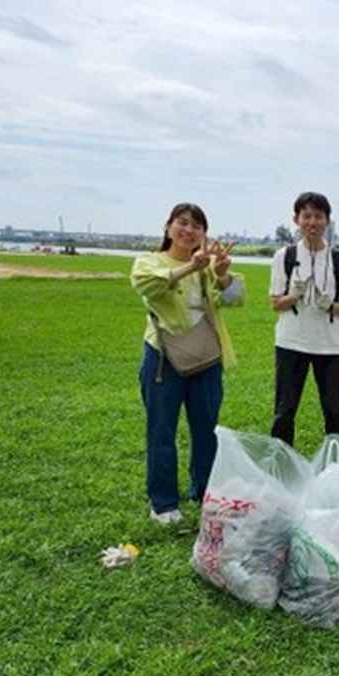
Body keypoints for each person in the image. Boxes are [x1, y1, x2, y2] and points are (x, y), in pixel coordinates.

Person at [131, 203, 246, 524]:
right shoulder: (150, 261)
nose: (189, 230)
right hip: (163, 357)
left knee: (206, 429)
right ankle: (163, 503)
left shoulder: (208, 266)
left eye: (197, 226)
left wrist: (222, 275)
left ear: (204, 234)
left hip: (206, 357)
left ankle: (205, 491)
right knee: (161, 429)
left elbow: (236, 298)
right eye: (182, 223)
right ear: (168, 227)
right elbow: (148, 286)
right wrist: (189, 267)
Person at [269, 192, 339, 447]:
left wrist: (329, 304)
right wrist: (294, 295)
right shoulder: (284, 256)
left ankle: (336, 462)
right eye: (306, 216)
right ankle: (282, 461)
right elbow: (275, 303)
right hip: (291, 342)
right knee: (284, 410)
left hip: (329, 345)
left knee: (335, 410)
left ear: (327, 220)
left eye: (318, 216)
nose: (312, 222)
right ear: (296, 220)